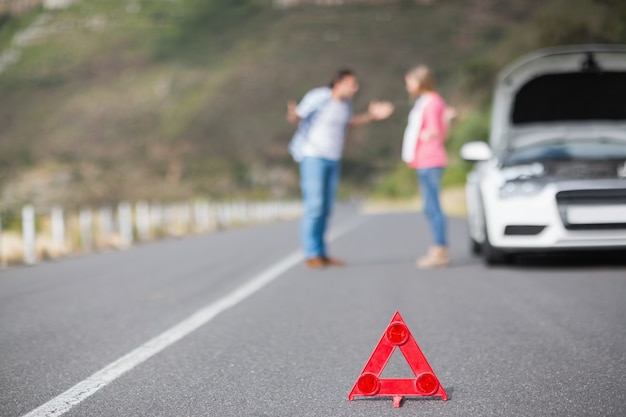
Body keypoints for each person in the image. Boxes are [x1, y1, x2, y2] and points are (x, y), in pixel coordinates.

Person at [287, 69, 394, 269]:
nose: (355, 88)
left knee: (326, 208)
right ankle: (312, 254)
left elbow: (348, 124)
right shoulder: (319, 96)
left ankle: (321, 253)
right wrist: (293, 114)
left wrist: (371, 116)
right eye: (352, 84)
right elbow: (298, 116)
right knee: (315, 206)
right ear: (338, 83)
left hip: (332, 159)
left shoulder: (345, 105)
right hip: (313, 156)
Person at [401, 65, 451, 268]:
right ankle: (438, 248)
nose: (408, 86)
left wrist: (428, 134)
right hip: (423, 160)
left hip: (430, 160)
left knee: (433, 207)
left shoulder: (432, 102)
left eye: (410, 82)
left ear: (421, 81)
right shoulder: (427, 102)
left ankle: (439, 251)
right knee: (429, 206)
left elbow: (436, 129)